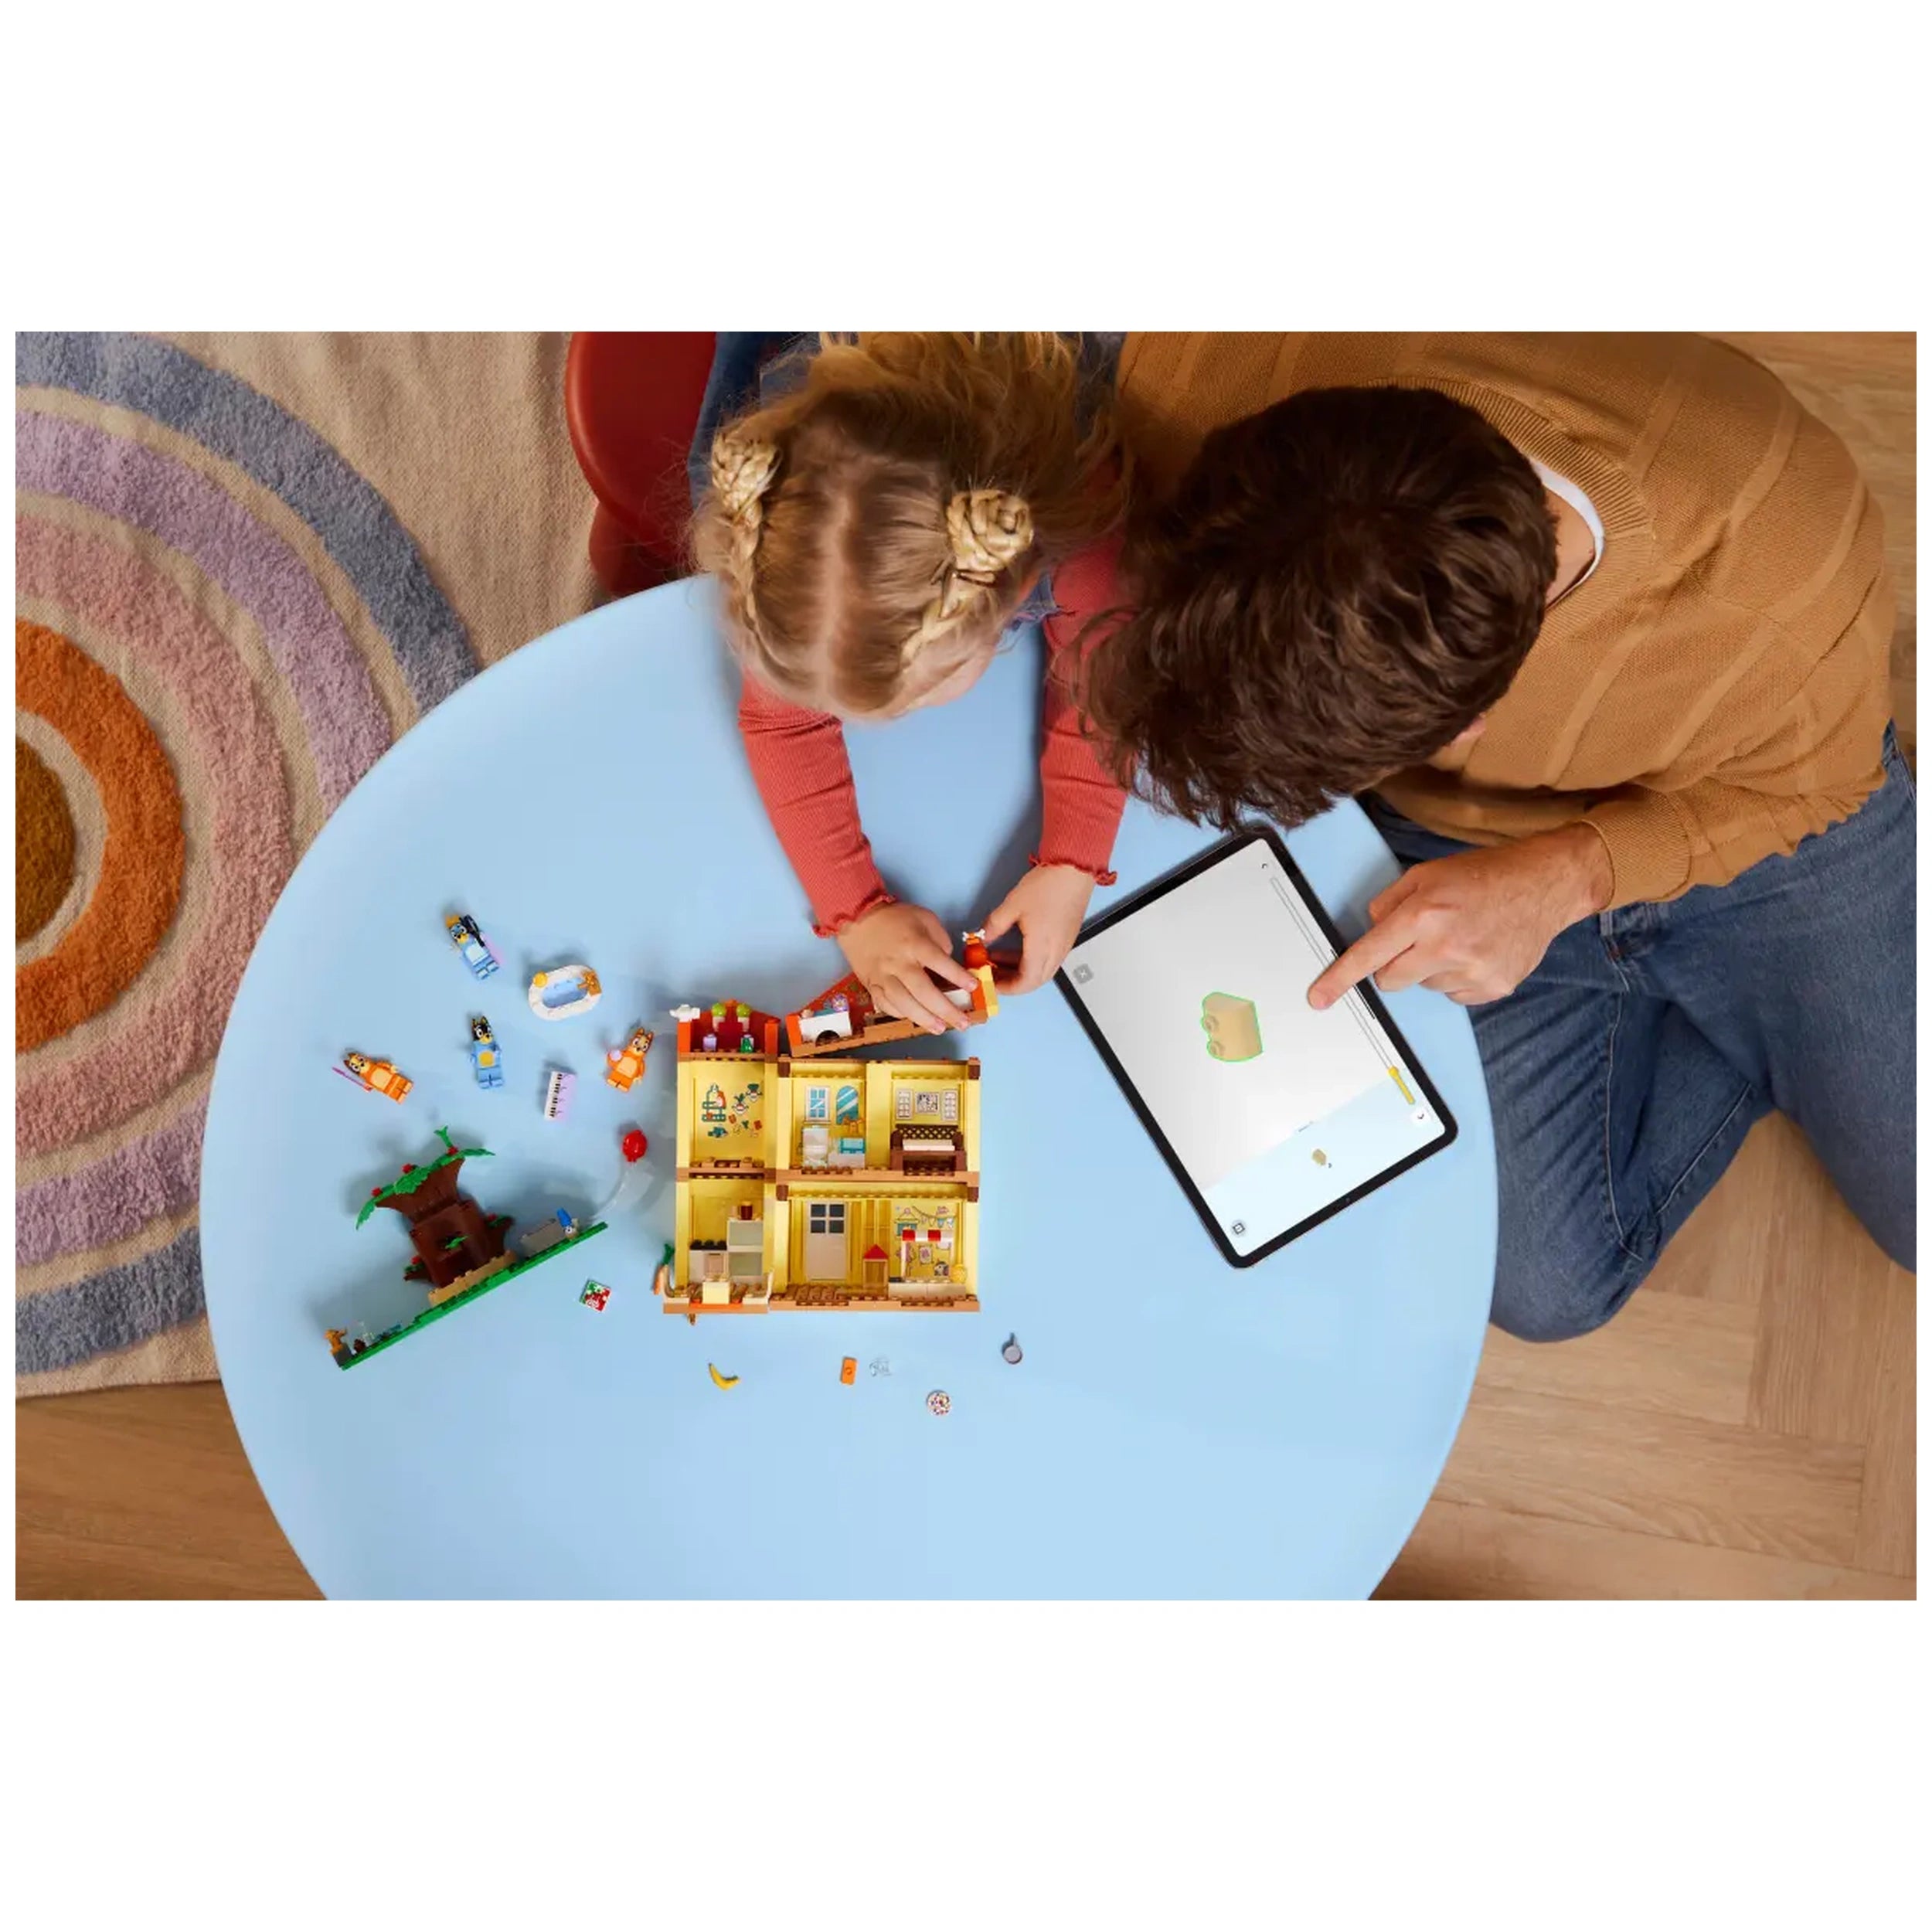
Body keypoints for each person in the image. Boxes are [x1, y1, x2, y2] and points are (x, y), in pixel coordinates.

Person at [1074, 333, 1912, 1341]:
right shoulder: (1193, 364)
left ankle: (1760, 1008)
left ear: (1471, 727)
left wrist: (1574, 876)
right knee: (1540, 1290)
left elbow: (1812, 786)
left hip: (1764, 815)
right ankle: (1769, 1024)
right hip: (1456, 848)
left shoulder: (1782, 584)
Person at [689, 332, 1131, 1032]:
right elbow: (781, 720)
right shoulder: (798, 558)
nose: (885, 724)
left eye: (923, 689)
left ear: (1010, 591)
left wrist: (1076, 859)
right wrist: (855, 915)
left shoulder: (1089, 544)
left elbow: (1104, 683)